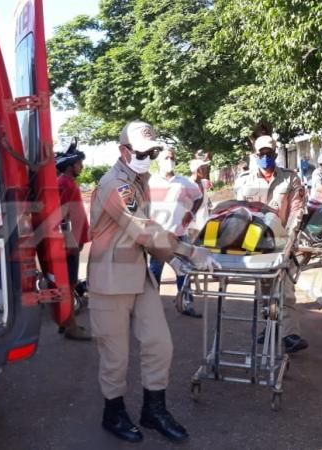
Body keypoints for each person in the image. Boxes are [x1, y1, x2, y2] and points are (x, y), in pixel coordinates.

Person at [87, 120, 218, 443]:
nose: (148, 157)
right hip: (110, 280)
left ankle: (153, 409)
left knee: (160, 344)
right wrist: (189, 251)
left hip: (138, 275)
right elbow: (144, 231)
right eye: (141, 152)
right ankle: (113, 412)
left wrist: (172, 259)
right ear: (123, 151)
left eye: (153, 151)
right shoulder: (116, 184)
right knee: (116, 355)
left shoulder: (138, 179)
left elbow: (146, 235)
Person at [234, 135, 308, 353]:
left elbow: (297, 210)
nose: (266, 157)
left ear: (276, 154)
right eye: (262, 154)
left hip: (282, 239)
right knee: (264, 290)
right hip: (254, 241)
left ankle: (290, 334)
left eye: (269, 153)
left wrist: (290, 238)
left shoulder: (290, 178)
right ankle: (269, 327)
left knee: (285, 288)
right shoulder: (244, 180)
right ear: (256, 155)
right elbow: (239, 211)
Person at [148, 148, 204, 318]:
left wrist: (191, 213)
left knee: (184, 271)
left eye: (172, 158)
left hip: (180, 235)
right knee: (155, 273)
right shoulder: (150, 182)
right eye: (166, 158)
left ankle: (185, 303)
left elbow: (198, 197)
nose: (169, 161)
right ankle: (152, 308)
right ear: (158, 161)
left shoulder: (183, 182)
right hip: (159, 237)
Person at [55, 142, 92, 341]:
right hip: (69, 243)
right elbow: (60, 216)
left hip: (71, 241)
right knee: (68, 285)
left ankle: (66, 322)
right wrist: (71, 241)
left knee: (69, 284)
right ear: (70, 166)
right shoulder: (65, 183)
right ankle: (71, 326)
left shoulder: (66, 182)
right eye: (79, 164)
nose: (82, 167)